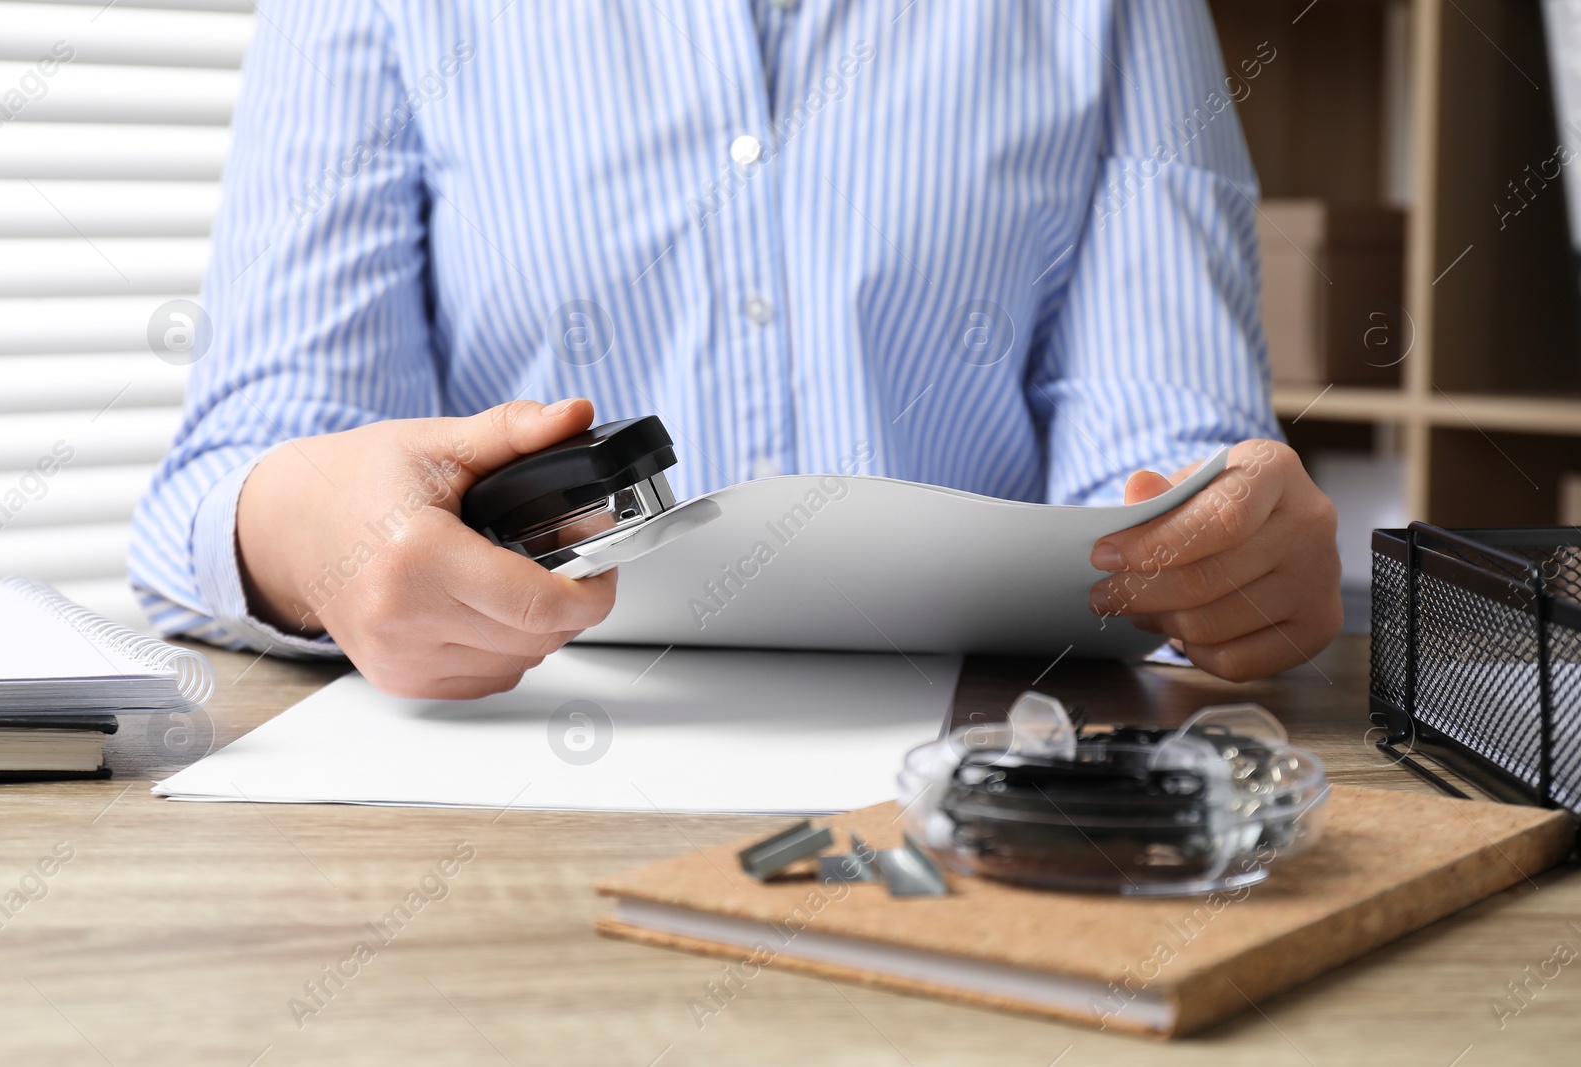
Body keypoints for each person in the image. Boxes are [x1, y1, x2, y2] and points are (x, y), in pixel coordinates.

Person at [129, 0, 1341, 699]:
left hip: (984, 785)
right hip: (510, 768)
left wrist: (1222, 547)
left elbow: (1160, 460)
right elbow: (235, 473)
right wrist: (316, 534)